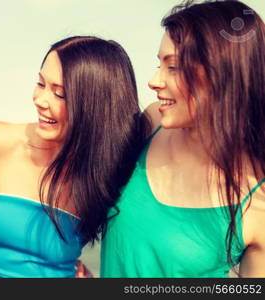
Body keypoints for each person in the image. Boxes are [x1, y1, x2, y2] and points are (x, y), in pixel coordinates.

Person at [0, 36, 148, 277]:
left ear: (94, 105)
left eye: (60, 93)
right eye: (41, 83)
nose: (40, 100)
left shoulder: (110, 169)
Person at [101, 0, 265, 277]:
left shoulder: (257, 202)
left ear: (223, 73)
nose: (154, 81)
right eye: (159, 64)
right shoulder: (150, 123)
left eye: (173, 67)